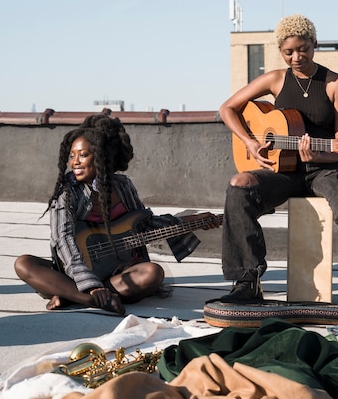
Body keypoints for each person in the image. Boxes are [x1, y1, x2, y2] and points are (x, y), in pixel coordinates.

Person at [218, 14, 338, 317]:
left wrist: (317, 155)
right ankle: (247, 280)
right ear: (281, 52)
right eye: (289, 52)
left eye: (303, 49)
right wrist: (250, 141)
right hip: (282, 168)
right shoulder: (276, 79)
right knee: (239, 187)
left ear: (314, 44)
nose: (296, 57)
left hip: (326, 166)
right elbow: (227, 108)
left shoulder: (335, 84)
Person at [14, 114, 219, 315]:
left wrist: (192, 221)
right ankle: (89, 298)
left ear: (102, 156)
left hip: (118, 272)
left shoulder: (123, 186)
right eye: (72, 155)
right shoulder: (66, 193)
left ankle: (67, 295)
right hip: (74, 272)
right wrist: (89, 285)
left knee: (153, 273)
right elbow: (63, 240)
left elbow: (145, 224)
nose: (75, 162)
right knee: (24, 263)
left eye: (83, 155)